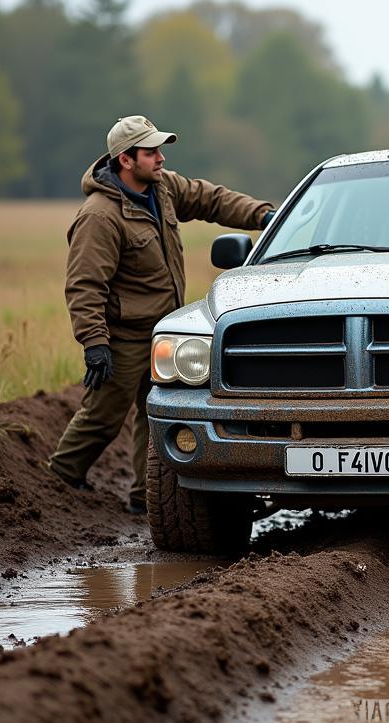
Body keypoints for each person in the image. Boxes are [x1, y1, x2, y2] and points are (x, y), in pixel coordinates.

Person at [48, 115, 274, 513]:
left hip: (163, 334)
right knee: (103, 417)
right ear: (126, 160)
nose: (161, 158)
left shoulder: (162, 189)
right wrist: (95, 344)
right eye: (150, 152)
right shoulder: (100, 215)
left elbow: (211, 198)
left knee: (153, 419)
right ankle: (58, 485)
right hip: (122, 337)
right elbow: (85, 285)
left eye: (160, 149)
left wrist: (264, 216)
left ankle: (143, 499)